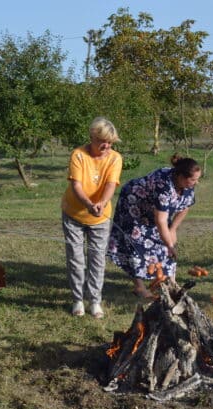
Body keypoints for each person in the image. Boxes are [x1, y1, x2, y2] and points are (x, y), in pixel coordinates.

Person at [108, 155, 201, 298]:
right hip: (134, 204)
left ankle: (171, 283)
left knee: (164, 241)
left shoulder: (187, 185)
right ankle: (139, 286)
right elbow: (161, 221)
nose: (196, 182)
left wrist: (173, 229)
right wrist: (170, 245)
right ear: (181, 176)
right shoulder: (163, 186)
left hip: (155, 210)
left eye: (197, 179)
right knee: (135, 242)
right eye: (193, 179)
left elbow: (185, 206)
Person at [61, 117, 122, 318]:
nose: (107, 146)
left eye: (110, 142)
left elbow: (111, 185)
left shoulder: (115, 158)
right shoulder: (78, 155)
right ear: (92, 137)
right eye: (103, 141)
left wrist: (101, 204)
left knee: (97, 259)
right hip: (74, 214)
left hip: (100, 217)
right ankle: (78, 300)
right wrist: (88, 205)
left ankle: (95, 301)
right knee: (76, 258)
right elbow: (76, 185)